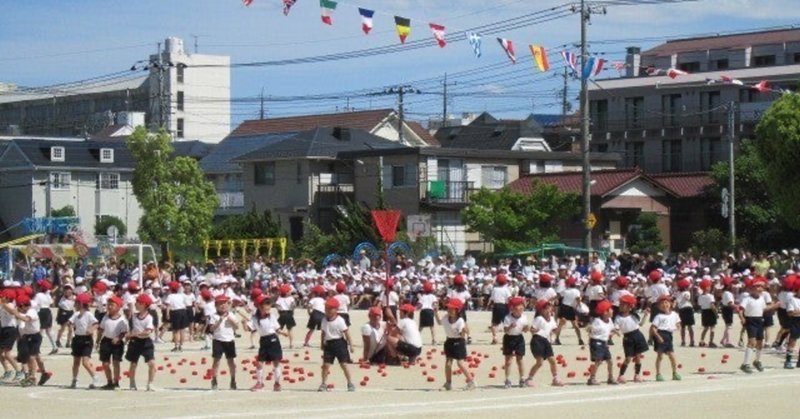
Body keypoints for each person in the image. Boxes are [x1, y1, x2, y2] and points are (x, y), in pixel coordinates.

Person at [2, 294, 46, 386]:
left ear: (24, 305)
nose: (19, 308)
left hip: (35, 337)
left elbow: (25, 319)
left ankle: (33, 376)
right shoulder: (22, 311)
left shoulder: (31, 311)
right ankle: (29, 375)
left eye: (20, 306)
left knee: (32, 357)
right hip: (25, 337)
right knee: (24, 357)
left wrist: (15, 313)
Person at [739, 277, 779, 373]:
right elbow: (741, 309)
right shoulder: (747, 299)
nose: (760, 288)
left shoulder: (761, 299)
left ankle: (757, 360)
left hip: (759, 320)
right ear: (752, 288)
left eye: (761, 286)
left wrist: (774, 306)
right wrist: (742, 318)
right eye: (757, 286)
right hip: (751, 320)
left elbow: (763, 309)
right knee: (752, 342)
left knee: (760, 342)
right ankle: (745, 363)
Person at [249, 295, 288, 392]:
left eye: (269, 305)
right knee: (259, 362)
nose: (268, 307)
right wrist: (243, 323)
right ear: (259, 306)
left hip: (273, 340)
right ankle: (259, 383)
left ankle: (277, 383)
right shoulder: (254, 318)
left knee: (276, 361)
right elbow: (250, 329)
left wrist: (283, 333)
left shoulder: (271, 316)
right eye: (266, 304)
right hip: (263, 340)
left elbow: (277, 328)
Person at [525, 299, 564, 387]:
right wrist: (536, 330)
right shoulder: (539, 318)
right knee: (540, 362)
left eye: (549, 307)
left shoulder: (552, 320)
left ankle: (555, 378)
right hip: (537, 340)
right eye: (545, 308)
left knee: (553, 361)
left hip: (546, 341)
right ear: (540, 310)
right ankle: (529, 378)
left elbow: (555, 331)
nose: (548, 310)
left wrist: (561, 324)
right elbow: (532, 329)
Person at [318, 297, 355, 392]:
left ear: (336, 310)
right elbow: (323, 333)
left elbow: (347, 333)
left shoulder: (340, 320)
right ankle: (323, 383)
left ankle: (350, 382)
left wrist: (351, 345)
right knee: (325, 365)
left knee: (344, 364)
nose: (327, 311)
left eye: (329, 308)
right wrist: (322, 343)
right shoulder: (324, 320)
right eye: (326, 308)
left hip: (339, 343)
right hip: (329, 344)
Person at [440, 298, 475, 391]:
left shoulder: (460, 321)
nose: (449, 310)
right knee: (448, 363)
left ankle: (471, 381)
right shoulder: (445, 317)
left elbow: (462, 334)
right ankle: (448, 383)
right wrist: (435, 312)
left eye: (452, 309)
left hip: (459, 342)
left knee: (460, 363)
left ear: (457, 310)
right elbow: (440, 322)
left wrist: (464, 332)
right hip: (449, 341)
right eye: (448, 308)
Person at [68, 293, 99, 389]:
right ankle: (74, 379)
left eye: (76, 303)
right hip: (77, 339)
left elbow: (96, 324)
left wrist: (91, 329)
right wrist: (71, 328)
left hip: (86, 340)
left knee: (85, 362)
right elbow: (70, 322)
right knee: (76, 361)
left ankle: (95, 377)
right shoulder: (76, 314)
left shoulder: (88, 314)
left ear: (81, 304)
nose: (75, 305)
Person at [125, 294, 157, 391]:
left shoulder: (149, 317)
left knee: (151, 363)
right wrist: (129, 336)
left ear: (144, 304)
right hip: (135, 342)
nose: (135, 304)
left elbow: (148, 332)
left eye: (138, 302)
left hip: (146, 342)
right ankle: (132, 382)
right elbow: (131, 329)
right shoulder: (134, 316)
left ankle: (150, 383)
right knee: (133, 363)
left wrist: (136, 334)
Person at [615, 294, 648, 383]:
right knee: (628, 357)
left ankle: (637, 375)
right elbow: (616, 328)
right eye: (620, 304)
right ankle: (621, 375)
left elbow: (640, 324)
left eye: (623, 304)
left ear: (630, 307)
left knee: (638, 356)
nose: (621, 306)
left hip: (637, 335)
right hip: (628, 337)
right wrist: (615, 332)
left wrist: (645, 315)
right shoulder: (618, 317)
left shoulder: (634, 315)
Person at [97, 295, 128, 390]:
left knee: (116, 362)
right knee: (105, 363)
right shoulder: (105, 317)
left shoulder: (122, 319)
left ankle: (116, 382)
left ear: (118, 307)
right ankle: (109, 381)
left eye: (112, 305)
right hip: (106, 341)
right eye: (108, 304)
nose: (109, 306)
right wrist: (98, 341)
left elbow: (124, 332)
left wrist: (119, 338)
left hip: (117, 343)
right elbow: (101, 329)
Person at [208, 295, 238, 390]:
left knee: (231, 361)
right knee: (216, 361)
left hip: (229, 340)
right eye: (220, 303)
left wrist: (231, 321)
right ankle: (214, 379)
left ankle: (233, 380)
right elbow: (211, 329)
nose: (223, 305)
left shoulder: (231, 314)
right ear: (216, 305)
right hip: (218, 340)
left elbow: (236, 327)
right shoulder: (214, 316)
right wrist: (220, 320)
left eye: (224, 303)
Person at [650, 295, 682, 382]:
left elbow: (678, 323)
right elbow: (653, 328)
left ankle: (675, 373)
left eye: (666, 302)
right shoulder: (658, 316)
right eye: (662, 303)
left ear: (670, 304)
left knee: (672, 355)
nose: (664, 305)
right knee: (660, 356)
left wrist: (678, 327)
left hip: (669, 336)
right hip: (661, 334)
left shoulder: (675, 314)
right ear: (658, 306)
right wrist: (657, 336)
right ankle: (658, 374)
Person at [587, 299, 617, 385]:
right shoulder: (597, 321)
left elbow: (610, 330)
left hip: (604, 343)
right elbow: (591, 329)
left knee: (610, 361)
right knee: (598, 360)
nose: (612, 310)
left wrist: (614, 332)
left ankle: (610, 377)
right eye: (610, 309)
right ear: (605, 312)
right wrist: (589, 330)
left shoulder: (610, 321)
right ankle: (592, 378)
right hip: (596, 342)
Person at [0, 288, 22, 382]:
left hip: (10, 330)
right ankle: (8, 371)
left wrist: (3, 304)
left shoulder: (9, 305)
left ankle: (18, 371)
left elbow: (14, 312)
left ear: (8, 298)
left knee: (7, 353)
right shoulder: (4, 306)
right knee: (0, 352)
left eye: (3, 296)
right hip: (4, 329)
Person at [554, 276, 584, 346]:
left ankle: (557, 339)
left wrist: (557, 301)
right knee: (575, 325)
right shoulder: (577, 291)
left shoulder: (565, 291)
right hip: (570, 308)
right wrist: (580, 306)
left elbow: (558, 296)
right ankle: (580, 339)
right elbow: (578, 299)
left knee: (560, 324)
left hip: (564, 307)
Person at [33, 280, 57, 355]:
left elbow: (34, 304)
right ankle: (54, 346)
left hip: (41, 312)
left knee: (39, 331)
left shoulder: (38, 295)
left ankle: (37, 348)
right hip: (48, 311)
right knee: (48, 330)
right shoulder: (48, 294)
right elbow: (51, 303)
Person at [164, 281, 188, 352]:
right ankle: (181, 345)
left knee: (176, 330)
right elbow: (185, 304)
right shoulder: (181, 295)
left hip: (175, 312)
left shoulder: (170, 296)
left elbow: (168, 306)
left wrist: (167, 314)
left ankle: (176, 346)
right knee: (182, 330)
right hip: (183, 311)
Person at [489, 274, 512, 345]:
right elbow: (509, 299)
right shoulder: (506, 289)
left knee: (494, 323)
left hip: (496, 306)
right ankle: (509, 337)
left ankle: (494, 337)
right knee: (507, 322)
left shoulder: (494, 289)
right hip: (504, 306)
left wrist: (489, 305)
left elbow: (492, 299)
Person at [275, 284, 297, 349]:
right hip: (289, 314)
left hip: (282, 314)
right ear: (287, 292)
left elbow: (277, 306)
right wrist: (291, 309)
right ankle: (291, 344)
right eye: (289, 291)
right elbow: (293, 305)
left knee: (278, 330)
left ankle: (275, 343)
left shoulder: (279, 298)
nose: (290, 292)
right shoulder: (291, 298)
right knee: (290, 330)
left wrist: (280, 310)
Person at [416, 281, 438, 345]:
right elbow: (434, 304)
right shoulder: (433, 296)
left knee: (421, 327)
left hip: (423, 311)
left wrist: (416, 308)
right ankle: (434, 340)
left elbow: (419, 305)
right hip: (430, 311)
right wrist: (436, 310)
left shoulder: (423, 296)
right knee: (432, 327)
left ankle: (416, 338)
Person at [675, 278, 695, 347]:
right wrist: (691, 291)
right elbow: (689, 299)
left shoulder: (678, 293)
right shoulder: (687, 292)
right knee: (690, 326)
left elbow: (677, 302)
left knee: (683, 327)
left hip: (681, 309)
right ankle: (692, 341)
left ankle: (683, 341)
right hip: (688, 308)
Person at [697, 279, 717, 348]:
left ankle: (701, 340)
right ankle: (711, 341)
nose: (710, 287)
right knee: (712, 327)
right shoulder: (710, 296)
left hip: (704, 312)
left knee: (705, 328)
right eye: (709, 286)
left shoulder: (700, 296)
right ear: (707, 287)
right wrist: (716, 313)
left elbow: (699, 304)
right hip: (710, 312)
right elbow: (712, 306)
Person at [55, 284, 75, 349]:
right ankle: (58, 340)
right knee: (63, 328)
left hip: (70, 312)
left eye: (69, 291)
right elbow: (59, 307)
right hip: (64, 312)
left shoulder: (74, 297)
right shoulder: (62, 298)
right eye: (66, 291)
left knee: (71, 329)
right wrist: (58, 316)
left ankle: (68, 342)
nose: (67, 293)